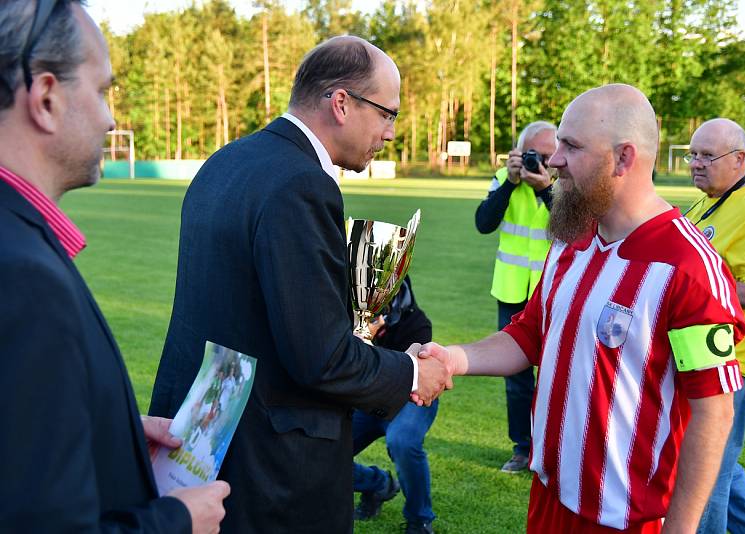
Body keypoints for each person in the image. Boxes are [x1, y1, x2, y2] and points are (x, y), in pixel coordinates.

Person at [148, 36, 450, 533]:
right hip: (272, 472)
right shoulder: (303, 184)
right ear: (341, 103)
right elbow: (320, 358)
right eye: (387, 114)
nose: (391, 133)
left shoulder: (227, 161)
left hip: (203, 443)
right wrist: (413, 374)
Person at [420, 84, 745, 533]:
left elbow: (714, 410)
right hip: (549, 498)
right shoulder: (569, 239)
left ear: (624, 158)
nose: (554, 161)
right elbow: (531, 333)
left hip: (627, 520)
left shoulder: (689, 268)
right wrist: (453, 358)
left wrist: (682, 528)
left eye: (571, 147)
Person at [0, 1, 229, 532]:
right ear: (47, 98)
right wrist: (177, 520)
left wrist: (114, 436)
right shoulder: (23, 276)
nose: (109, 117)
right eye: (102, 92)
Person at [685, 119, 745, 534]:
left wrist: (692, 287)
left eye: (708, 156)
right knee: (718, 459)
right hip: (704, 351)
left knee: (706, 473)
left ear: (740, 159)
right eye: (693, 154)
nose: (696, 163)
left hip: (735, 360)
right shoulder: (707, 201)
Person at [474, 121, 557, 473]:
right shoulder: (504, 177)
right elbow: (483, 223)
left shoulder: (565, 182)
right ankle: (522, 447)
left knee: (555, 373)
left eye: (548, 156)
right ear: (517, 153)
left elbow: (576, 228)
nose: (540, 162)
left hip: (553, 291)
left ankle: (551, 449)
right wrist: (510, 183)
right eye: (531, 154)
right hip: (510, 290)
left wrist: (546, 189)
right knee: (517, 378)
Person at [353, 277, 438, 534]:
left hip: (411, 399)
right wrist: (363, 335)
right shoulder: (354, 317)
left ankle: (419, 519)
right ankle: (377, 484)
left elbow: (412, 379)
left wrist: (372, 338)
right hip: (369, 398)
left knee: (402, 442)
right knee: (324, 446)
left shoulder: (418, 325)